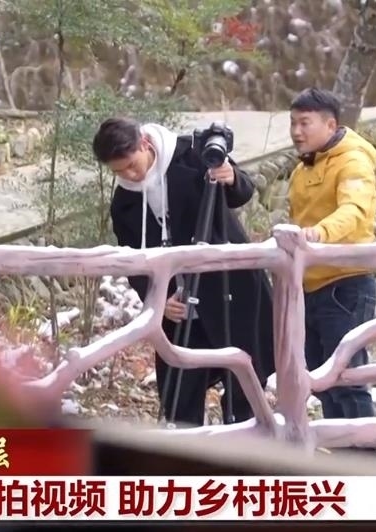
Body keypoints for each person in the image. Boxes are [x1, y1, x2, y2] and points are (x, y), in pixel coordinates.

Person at [92, 117, 276, 427]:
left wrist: (230, 176)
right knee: (179, 390)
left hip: (229, 286)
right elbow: (133, 262)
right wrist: (159, 299)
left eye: (132, 165)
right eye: (119, 172)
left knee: (243, 381)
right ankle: (185, 448)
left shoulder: (192, 154)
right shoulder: (124, 202)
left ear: (144, 144)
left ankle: (246, 445)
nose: (129, 175)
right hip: (179, 303)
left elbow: (240, 192)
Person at [286, 88, 376, 422]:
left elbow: (354, 210)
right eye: (293, 123)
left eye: (304, 123)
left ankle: (363, 452)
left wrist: (319, 233)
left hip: (345, 283)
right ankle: (340, 447)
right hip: (309, 285)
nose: (296, 132)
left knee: (347, 379)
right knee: (321, 379)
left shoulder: (352, 160)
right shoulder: (302, 169)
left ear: (330, 124)